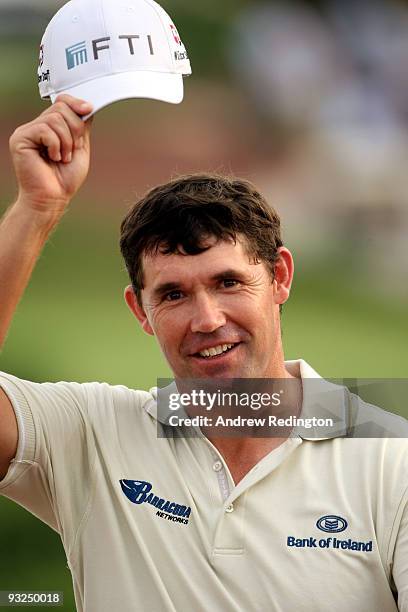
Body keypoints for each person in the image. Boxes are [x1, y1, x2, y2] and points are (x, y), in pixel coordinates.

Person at [0, 95, 408, 612]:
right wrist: (37, 209)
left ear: (279, 276)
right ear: (140, 310)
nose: (208, 319)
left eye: (229, 282)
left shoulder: (392, 460)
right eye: (173, 294)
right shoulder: (90, 434)